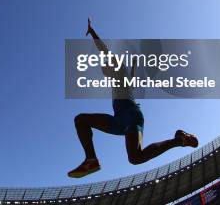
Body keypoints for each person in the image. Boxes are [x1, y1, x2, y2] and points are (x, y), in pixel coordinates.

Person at [68, 19, 199, 178]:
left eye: (105, 67)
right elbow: (132, 78)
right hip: (119, 121)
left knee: (134, 157)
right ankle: (91, 159)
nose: (104, 70)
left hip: (131, 115)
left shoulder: (118, 68)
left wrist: (93, 33)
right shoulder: (120, 79)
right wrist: (135, 67)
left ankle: (179, 141)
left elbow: (104, 50)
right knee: (82, 121)